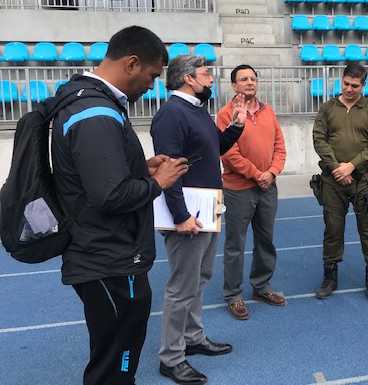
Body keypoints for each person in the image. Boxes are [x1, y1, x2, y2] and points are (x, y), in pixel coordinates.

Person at [51, 25, 189, 385]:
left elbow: (94, 177)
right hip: (109, 258)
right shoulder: (95, 112)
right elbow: (110, 196)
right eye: (152, 75)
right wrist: (158, 182)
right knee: (115, 361)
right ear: (132, 63)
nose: (152, 85)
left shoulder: (93, 103)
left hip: (107, 253)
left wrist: (140, 168)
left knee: (114, 355)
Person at [151, 55, 248, 384]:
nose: (210, 79)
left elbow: (212, 149)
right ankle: (171, 356)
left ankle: (193, 338)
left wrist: (235, 125)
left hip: (207, 208)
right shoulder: (170, 115)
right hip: (189, 214)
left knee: (199, 279)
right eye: (206, 74)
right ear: (189, 78)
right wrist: (180, 216)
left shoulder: (195, 110)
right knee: (181, 286)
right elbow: (169, 169)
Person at [216, 64, 287, 320]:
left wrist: (273, 172)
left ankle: (261, 286)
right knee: (235, 244)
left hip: (268, 187)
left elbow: (279, 146)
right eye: (243, 79)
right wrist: (258, 174)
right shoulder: (226, 114)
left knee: (265, 240)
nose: (249, 82)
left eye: (253, 78)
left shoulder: (268, 111)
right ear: (234, 86)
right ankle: (234, 295)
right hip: (239, 190)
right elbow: (229, 153)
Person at [312, 64, 368, 302]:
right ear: (340, 81)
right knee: (333, 228)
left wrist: (351, 166)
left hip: (363, 180)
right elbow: (319, 140)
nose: (349, 89)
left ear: (364, 86)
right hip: (333, 181)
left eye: (355, 85)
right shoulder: (327, 108)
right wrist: (337, 168)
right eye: (345, 84)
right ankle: (330, 277)